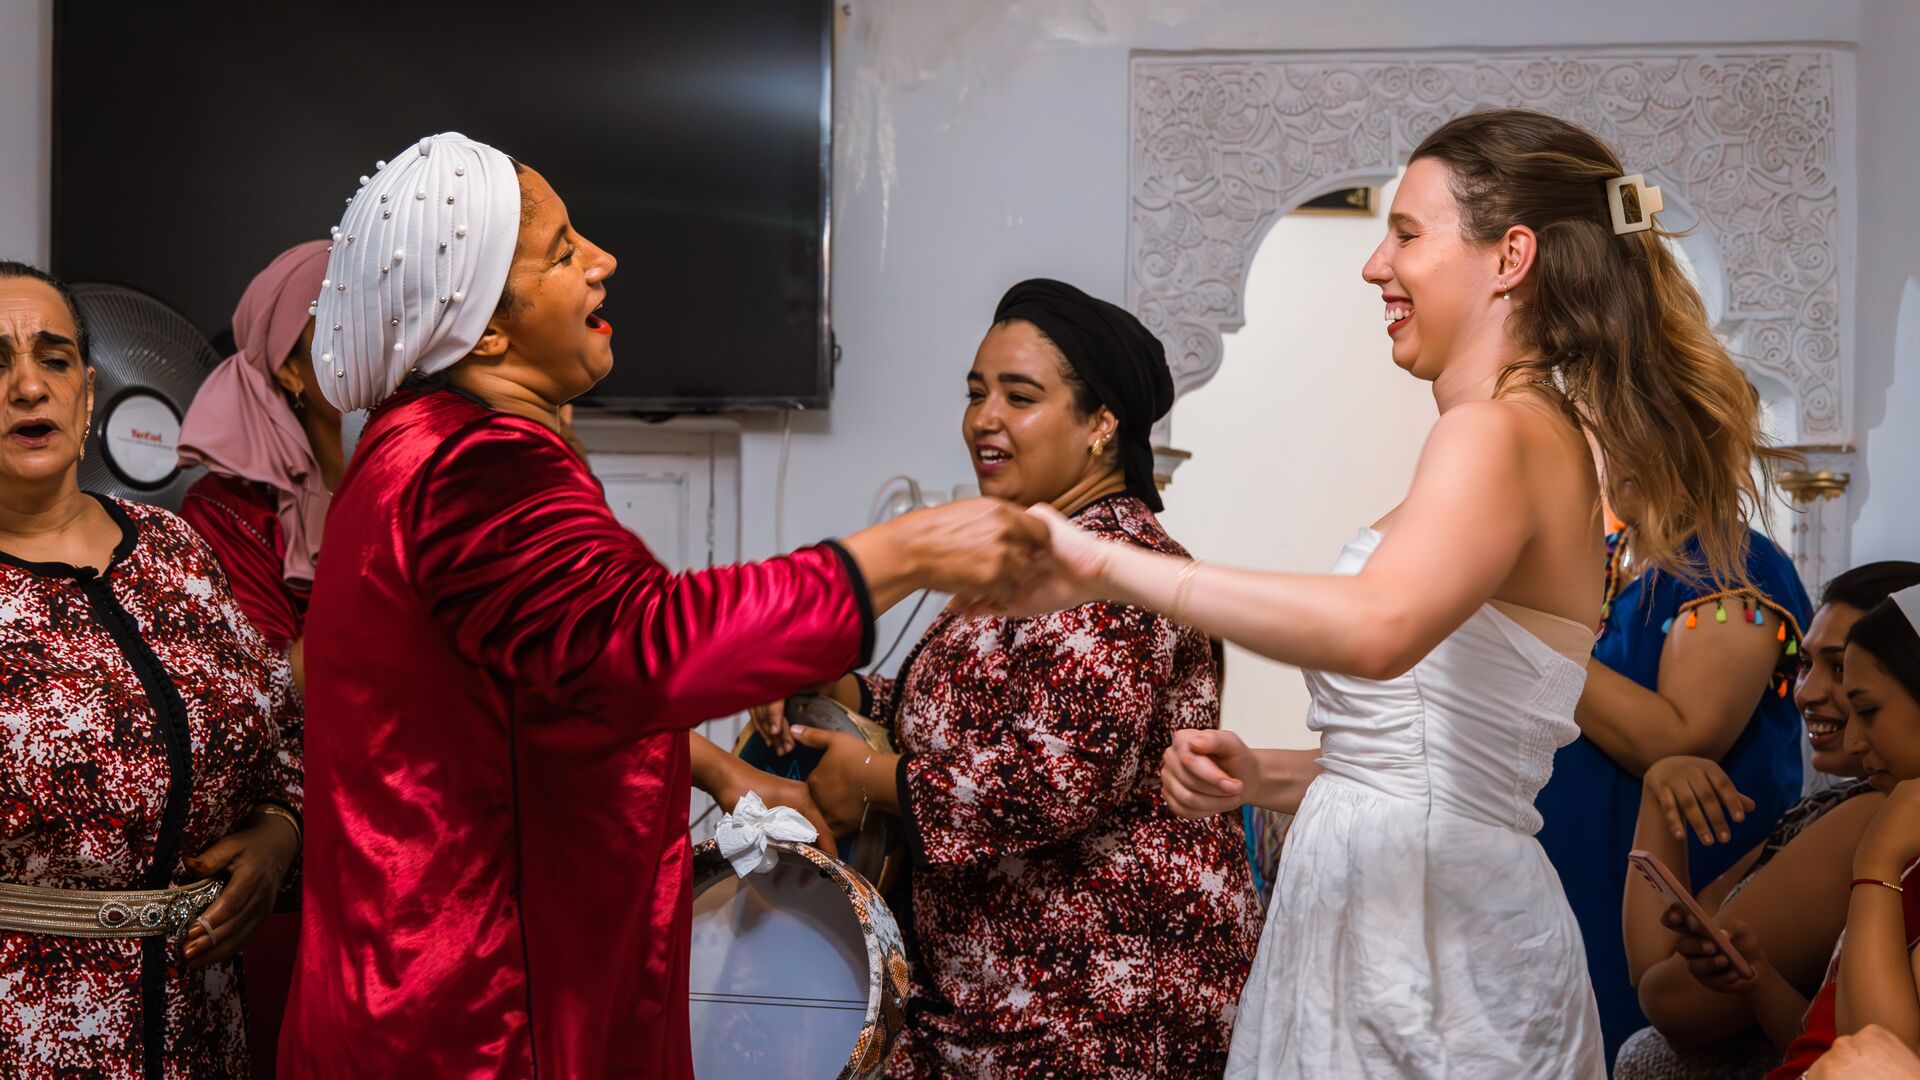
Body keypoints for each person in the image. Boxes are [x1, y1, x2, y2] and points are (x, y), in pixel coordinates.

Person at [1007, 108, 1782, 1078]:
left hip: (1428, 949)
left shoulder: (1498, 434)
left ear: (1510, 257)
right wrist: (1265, 777)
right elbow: (1439, 763)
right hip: (1409, 913)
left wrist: (1104, 563)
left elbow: (1377, 632)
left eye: (1407, 233)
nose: (1376, 266)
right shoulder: (1518, 435)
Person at [275, 133, 1049, 1078]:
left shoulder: (406, 448)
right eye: (562, 253)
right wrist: (903, 550)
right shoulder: (479, 467)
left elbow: (550, 683)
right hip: (486, 1015)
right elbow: (645, 644)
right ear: (484, 328)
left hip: (407, 991)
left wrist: (723, 770)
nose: (604, 260)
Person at [753, 279, 1262, 1077]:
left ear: (1101, 425)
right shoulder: (1040, 554)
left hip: (1105, 1002)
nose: (984, 418)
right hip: (998, 993)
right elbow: (968, 715)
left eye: (1019, 396)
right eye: (975, 392)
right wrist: (847, 695)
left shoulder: (1124, 572)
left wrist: (872, 778)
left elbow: (1059, 774)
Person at [0, 261, 303, 1077]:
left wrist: (278, 838)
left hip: (202, 1027)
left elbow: (280, 739)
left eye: (53, 358)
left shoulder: (176, 550)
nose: (28, 386)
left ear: (90, 394)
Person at [1537, 473, 1809, 1061]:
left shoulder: (1734, 567)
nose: (1601, 462)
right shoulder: (1603, 558)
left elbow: (1681, 739)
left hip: (1658, 880)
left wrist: (1531, 635)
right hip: (1563, 869)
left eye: (1614, 429)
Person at [1614, 562, 1920, 1078]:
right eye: (1805, 665)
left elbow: (1876, 1053)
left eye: (1844, 674)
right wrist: (1759, 981)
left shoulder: (1878, 821)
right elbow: (1823, 1043)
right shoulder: (1838, 807)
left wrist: (1876, 861)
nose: (1808, 692)